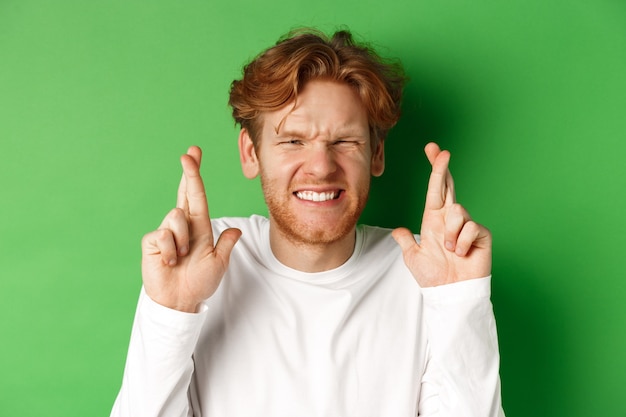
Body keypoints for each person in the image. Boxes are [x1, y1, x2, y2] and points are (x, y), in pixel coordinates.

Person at [111, 28, 505, 416]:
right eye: (293, 140)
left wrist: (458, 304)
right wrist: (173, 310)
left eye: (345, 142)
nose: (320, 167)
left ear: (376, 155)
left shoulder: (427, 274)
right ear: (251, 153)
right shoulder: (197, 263)